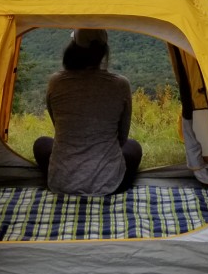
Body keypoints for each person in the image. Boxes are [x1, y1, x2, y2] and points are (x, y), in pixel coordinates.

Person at [33, 28, 142, 195]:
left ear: (73, 48)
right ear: (103, 52)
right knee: (133, 147)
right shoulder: (120, 84)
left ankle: (66, 177)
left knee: (42, 144)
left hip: (61, 183)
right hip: (109, 185)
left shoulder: (56, 82)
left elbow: (58, 128)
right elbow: (122, 138)